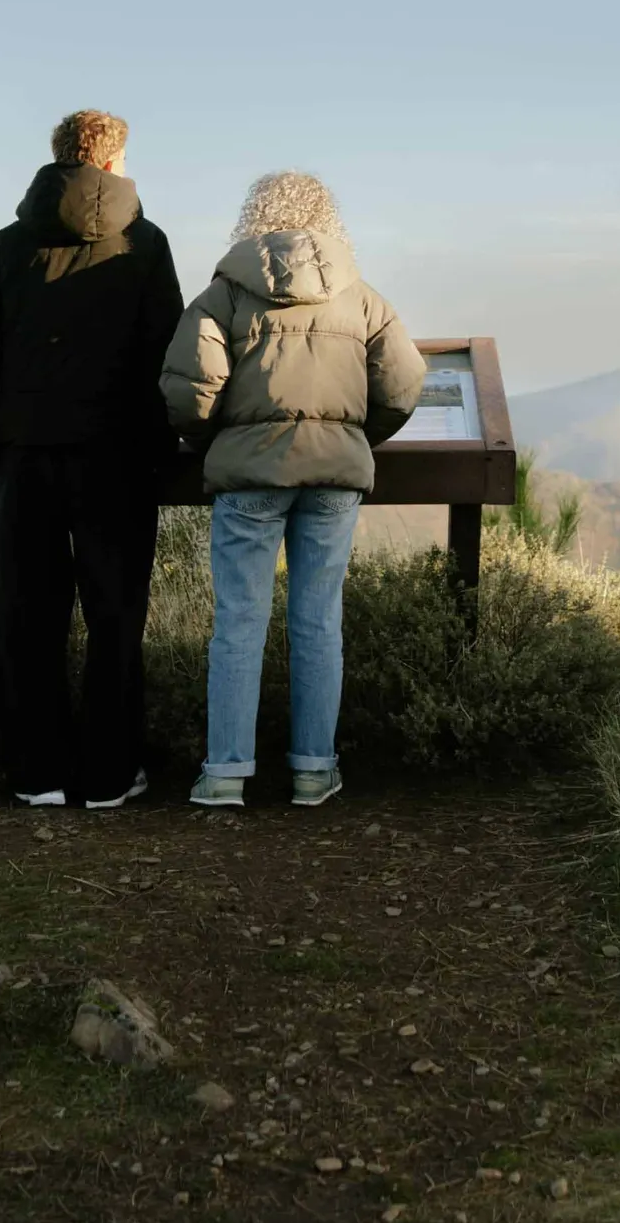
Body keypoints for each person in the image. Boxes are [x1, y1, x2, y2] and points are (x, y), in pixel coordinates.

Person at [161, 171, 423, 808]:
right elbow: (404, 386)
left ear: (255, 218)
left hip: (248, 479)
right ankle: (312, 769)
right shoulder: (362, 299)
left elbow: (188, 392)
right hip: (333, 480)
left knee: (239, 623)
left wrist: (214, 444)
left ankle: (225, 773)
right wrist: (352, 436)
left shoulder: (223, 295)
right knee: (317, 619)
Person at [0, 110, 183, 809]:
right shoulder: (144, 245)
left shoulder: (7, 245)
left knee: (27, 610)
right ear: (115, 163)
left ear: (57, 159)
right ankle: (112, 773)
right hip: (115, 459)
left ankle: (37, 771)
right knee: (116, 613)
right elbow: (165, 356)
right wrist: (157, 448)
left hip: (25, 454)